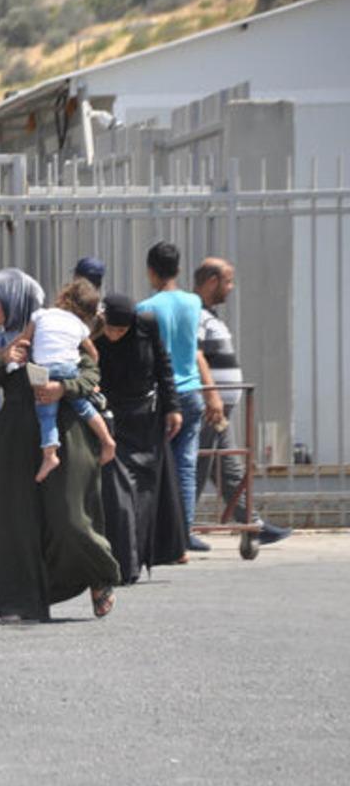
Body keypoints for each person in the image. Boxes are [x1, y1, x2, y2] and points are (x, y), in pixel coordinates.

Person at [0, 269, 119, 622]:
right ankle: (23, 602)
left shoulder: (60, 332)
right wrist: (3, 360)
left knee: (70, 518)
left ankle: (100, 574)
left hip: (66, 436)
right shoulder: (4, 344)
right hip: (14, 440)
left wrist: (62, 389)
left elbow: (91, 375)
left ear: (14, 300)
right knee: (15, 523)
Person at [192, 258, 291, 547]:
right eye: (228, 281)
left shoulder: (209, 315)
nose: (231, 288)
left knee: (227, 467)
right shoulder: (197, 315)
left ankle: (254, 524)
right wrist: (211, 394)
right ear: (212, 281)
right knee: (201, 462)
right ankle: (181, 529)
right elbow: (195, 355)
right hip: (210, 405)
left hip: (219, 406)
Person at [137, 242, 223, 555]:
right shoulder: (193, 303)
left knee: (155, 466)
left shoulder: (146, 308)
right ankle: (182, 535)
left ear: (150, 270)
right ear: (178, 269)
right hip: (191, 392)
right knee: (185, 467)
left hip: (162, 395)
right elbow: (196, 350)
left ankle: (159, 536)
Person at [94, 293, 188, 584]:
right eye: (111, 329)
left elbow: (163, 366)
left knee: (145, 494)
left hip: (145, 421)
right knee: (117, 492)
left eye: (122, 331)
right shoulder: (94, 333)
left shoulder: (147, 325)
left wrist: (173, 407)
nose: (115, 335)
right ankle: (123, 563)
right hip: (110, 421)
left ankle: (139, 556)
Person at [17, 278, 117, 482]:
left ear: (63, 296)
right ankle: (107, 440)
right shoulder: (79, 326)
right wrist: (83, 363)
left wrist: (21, 355)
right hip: (69, 367)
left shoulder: (41, 314)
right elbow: (93, 353)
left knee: (46, 412)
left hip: (45, 366)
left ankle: (50, 455)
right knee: (84, 406)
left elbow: (24, 340)